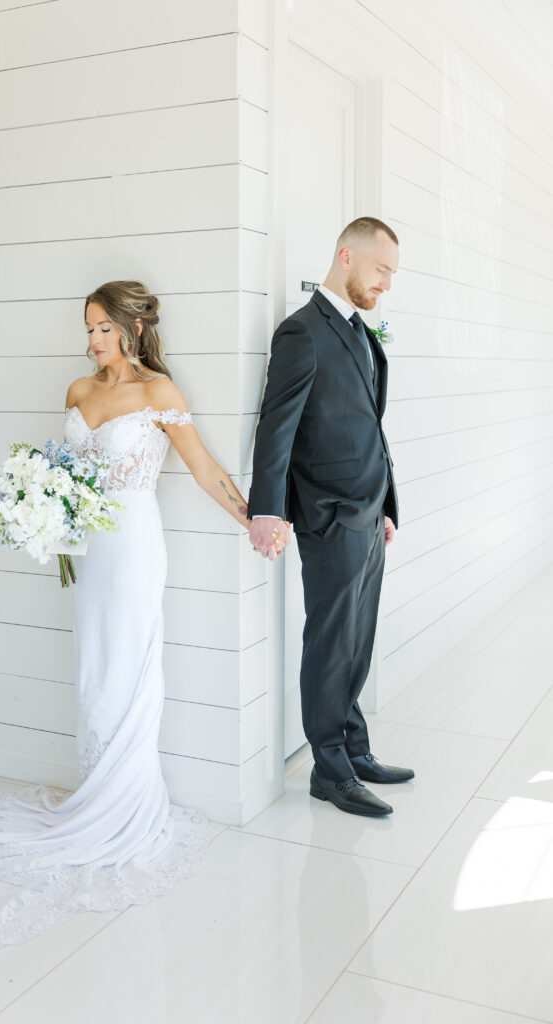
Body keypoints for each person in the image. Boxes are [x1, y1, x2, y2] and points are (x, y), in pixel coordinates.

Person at [0, 280, 287, 957]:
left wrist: (253, 518)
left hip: (133, 548)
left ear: (131, 328)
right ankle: (95, 787)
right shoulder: (76, 391)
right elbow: (61, 468)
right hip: (87, 551)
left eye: (101, 329)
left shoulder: (159, 394)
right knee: (93, 669)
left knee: (128, 665)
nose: (92, 341)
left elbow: (206, 470)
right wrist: (41, 503)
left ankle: (122, 806)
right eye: (87, 329)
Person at [247, 217, 414, 818]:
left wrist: (386, 505)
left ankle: (354, 749)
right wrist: (265, 510)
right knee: (330, 642)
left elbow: (368, 425)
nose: (387, 284)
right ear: (347, 257)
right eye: (382, 270)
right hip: (327, 514)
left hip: (369, 515)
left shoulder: (361, 333)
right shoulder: (302, 332)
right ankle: (330, 770)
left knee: (359, 640)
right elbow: (277, 427)